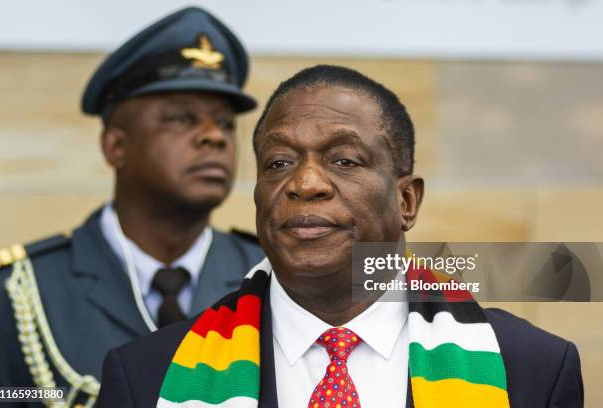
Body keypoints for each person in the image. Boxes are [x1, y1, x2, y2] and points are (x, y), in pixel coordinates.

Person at [96, 65, 583, 408]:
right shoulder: (146, 376)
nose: (305, 184)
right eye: (280, 163)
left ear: (407, 202)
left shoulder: (533, 369)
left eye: (345, 161)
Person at [0, 7, 264, 407]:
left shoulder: (269, 277)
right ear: (116, 146)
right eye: (181, 119)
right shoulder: (18, 293)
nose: (213, 137)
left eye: (225, 124)